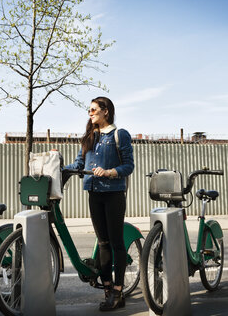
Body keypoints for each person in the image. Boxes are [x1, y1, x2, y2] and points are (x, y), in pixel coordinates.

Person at [65, 96, 134, 311]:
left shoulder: (119, 134)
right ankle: (107, 289)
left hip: (113, 194)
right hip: (94, 193)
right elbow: (78, 163)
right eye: (89, 110)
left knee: (115, 243)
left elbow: (129, 166)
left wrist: (109, 172)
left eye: (94, 109)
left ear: (106, 111)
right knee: (102, 243)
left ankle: (118, 291)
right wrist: (58, 165)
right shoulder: (89, 137)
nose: (90, 113)